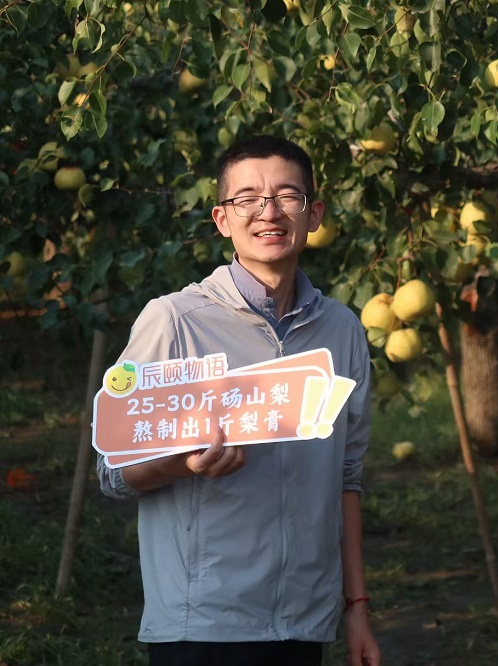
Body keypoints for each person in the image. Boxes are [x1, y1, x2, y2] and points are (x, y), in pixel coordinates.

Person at [96, 135, 381, 666]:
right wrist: (181, 464)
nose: (268, 212)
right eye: (247, 198)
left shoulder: (341, 331)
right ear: (223, 219)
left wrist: (356, 609)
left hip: (303, 623)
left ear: (313, 213)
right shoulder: (175, 323)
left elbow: (347, 475)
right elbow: (112, 470)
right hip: (202, 624)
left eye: (286, 196)